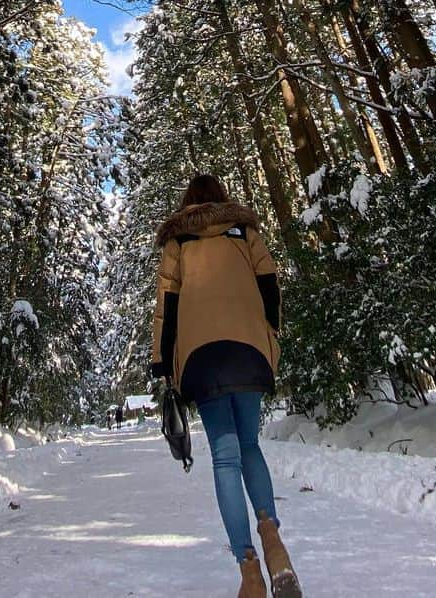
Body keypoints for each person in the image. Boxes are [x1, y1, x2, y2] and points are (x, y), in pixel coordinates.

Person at [151, 174, 301, 598]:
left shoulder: (177, 241)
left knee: (225, 457)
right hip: (250, 347)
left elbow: (167, 305)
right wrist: (269, 332)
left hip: (202, 357)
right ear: (222, 199)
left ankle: (249, 572)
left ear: (187, 204)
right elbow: (269, 283)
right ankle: (274, 544)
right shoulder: (244, 230)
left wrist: (163, 362)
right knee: (250, 445)